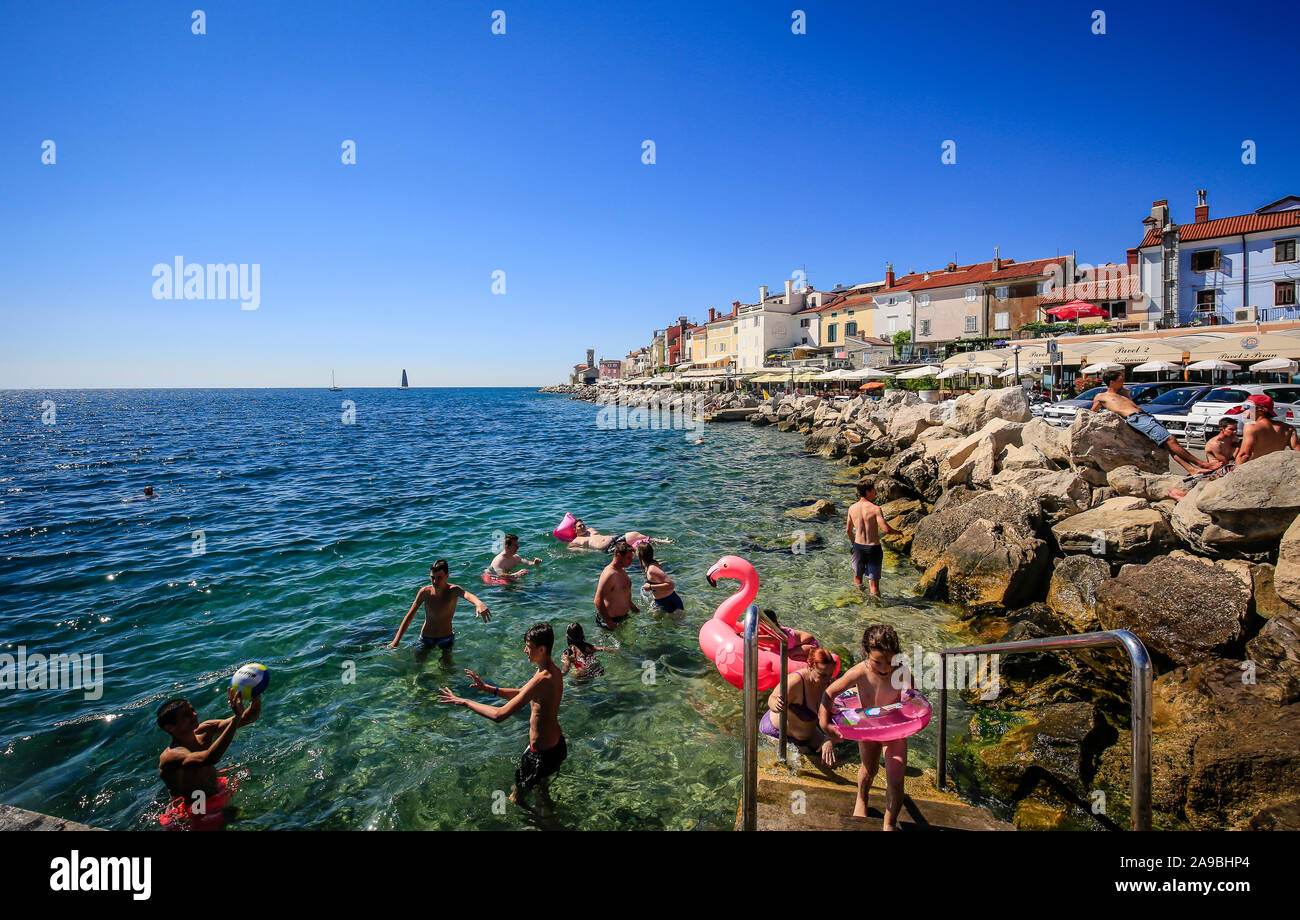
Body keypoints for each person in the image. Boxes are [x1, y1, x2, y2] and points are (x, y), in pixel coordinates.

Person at [438, 622, 565, 809]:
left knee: (516, 799)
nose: (525, 651)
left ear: (542, 648)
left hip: (542, 756)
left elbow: (499, 715)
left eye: (529, 647)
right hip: (555, 747)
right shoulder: (551, 671)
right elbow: (522, 693)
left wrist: (464, 701)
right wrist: (488, 689)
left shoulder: (541, 679)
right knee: (542, 798)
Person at [818, 624, 912, 829]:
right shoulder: (859, 672)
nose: (885, 668)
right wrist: (824, 724)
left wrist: (909, 702)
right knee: (869, 770)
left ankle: (889, 824)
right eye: (878, 662)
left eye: (890, 661)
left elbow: (911, 697)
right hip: (868, 729)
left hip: (894, 730)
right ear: (866, 653)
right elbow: (829, 693)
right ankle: (862, 798)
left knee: (896, 779)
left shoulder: (901, 670)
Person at [1090, 369, 1215, 476]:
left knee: (1167, 445)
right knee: (1171, 440)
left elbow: (1129, 401)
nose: (1123, 382)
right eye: (1120, 380)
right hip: (1136, 419)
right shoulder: (1102, 396)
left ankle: (1192, 469)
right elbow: (1092, 412)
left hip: (1144, 416)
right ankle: (1201, 463)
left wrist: (1123, 390)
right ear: (1112, 382)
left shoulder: (1124, 392)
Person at [157, 690, 261, 803]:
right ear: (170, 727)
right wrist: (236, 718)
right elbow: (210, 758)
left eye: (192, 710)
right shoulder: (171, 756)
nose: (194, 715)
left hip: (216, 788)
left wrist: (255, 695)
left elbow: (249, 718)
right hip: (194, 806)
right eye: (186, 715)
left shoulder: (205, 730)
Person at [387, 560, 490, 652]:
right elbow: (409, 616)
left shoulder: (453, 590)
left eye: (439, 577)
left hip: (446, 637)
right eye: (432, 578)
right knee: (418, 666)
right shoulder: (425, 592)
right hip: (426, 637)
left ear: (447, 576)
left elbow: (467, 595)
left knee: (447, 667)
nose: (435, 581)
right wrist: (395, 642)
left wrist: (479, 603)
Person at [762, 648, 837, 759]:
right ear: (810, 667)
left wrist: (828, 739)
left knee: (830, 749)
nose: (827, 679)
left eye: (830, 674)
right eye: (822, 675)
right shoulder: (795, 682)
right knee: (805, 756)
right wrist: (776, 704)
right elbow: (771, 699)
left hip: (809, 735)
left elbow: (836, 716)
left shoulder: (829, 682)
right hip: (777, 733)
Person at [846, 480, 899, 595]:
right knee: (874, 586)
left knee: (857, 580)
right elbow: (886, 530)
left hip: (858, 547)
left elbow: (848, 530)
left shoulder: (852, 508)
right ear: (868, 492)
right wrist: (898, 532)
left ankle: (860, 603)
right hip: (873, 548)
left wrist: (853, 543)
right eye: (873, 489)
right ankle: (875, 610)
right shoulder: (875, 509)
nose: (875, 492)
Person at [1235, 394, 1299, 463]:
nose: (1242, 409)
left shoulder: (1251, 427)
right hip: (1275, 466)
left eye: (1246, 407)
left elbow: (1244, 455)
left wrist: (1234, 473)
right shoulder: (1288, 428)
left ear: (1261, 409)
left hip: (1256, 467)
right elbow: (1297, 452)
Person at [594, 540, 638, 626]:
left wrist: (635, 610)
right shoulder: (609, 574)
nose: (631, 561)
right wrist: (609, 623)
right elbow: (597, 601)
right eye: (628, 558)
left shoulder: (622, 570)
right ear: (619, 556)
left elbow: (623, 595)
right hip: (610, 621)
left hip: (624, 617)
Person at [637, 542, 683, 613]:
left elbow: (671, 584)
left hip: (669, 601)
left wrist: (651, 587)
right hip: (660, 601)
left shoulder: (652, 569)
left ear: (640, 555)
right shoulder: (650, 565)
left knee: (679, 624)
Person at [566, 519, 663, 552]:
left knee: (635, 534)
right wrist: (589, 551)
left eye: (583, 524)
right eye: (579, 526)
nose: (583, 526)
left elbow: (602, 536)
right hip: (608, 548)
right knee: (633, 551)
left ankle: (659, 541)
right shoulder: (576, 541)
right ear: (575, 530)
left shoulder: (590, 530)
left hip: (614, 539)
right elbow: (571, 548)